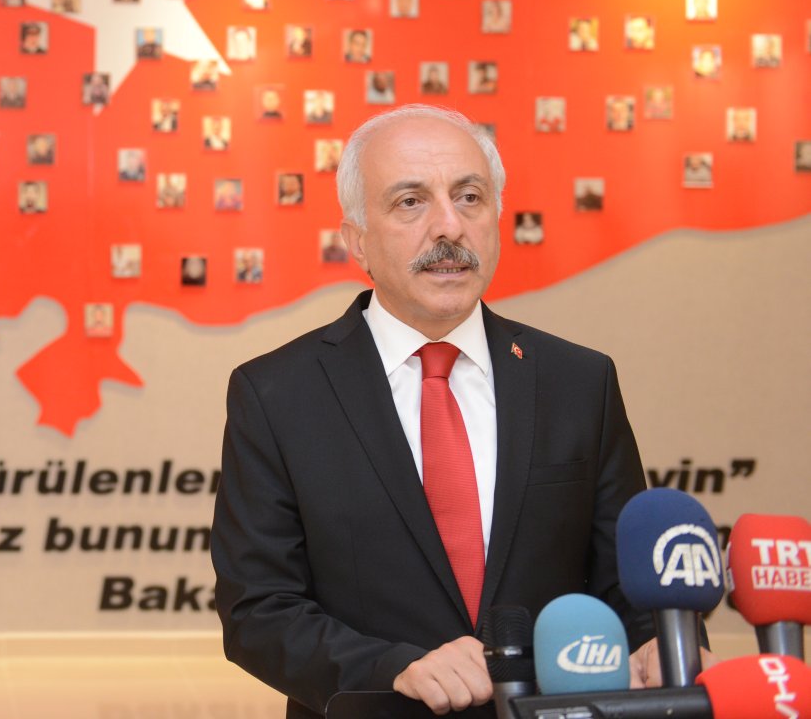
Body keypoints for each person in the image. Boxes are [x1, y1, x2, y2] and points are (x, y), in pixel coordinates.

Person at [212, 106, 656, 719]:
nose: (450, 226)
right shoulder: (276, 394)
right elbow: (257, 613)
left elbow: (632, 587)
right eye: (410, 202)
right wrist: (393, 668)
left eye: (470, 197)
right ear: (357, 240)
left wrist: (660, 643)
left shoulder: (580, 381)